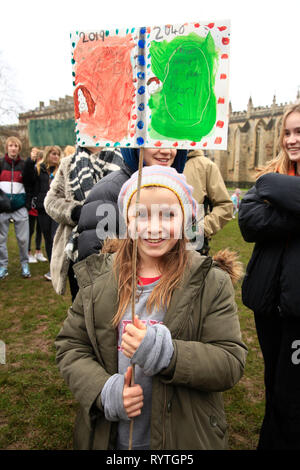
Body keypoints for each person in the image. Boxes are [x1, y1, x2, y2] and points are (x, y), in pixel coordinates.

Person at [55, 165, 247, 450]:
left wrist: (168, 354)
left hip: (182, 436)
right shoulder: (99, 280)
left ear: (187, 219)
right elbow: (71, 346)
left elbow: (230, 362)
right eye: (141, 214)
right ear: (126, 219)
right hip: (113, 438)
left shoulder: (210, 283)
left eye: (169, 214)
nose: (154, 227)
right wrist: (104, 390)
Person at [238, 102, 300, 450]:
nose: (292, 140)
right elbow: (248, 222)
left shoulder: (271, 188)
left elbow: (266, 215)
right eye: (287, 133)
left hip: (298, 309)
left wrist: (278, 200)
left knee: (292, 394)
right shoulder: (270, 177)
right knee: (274, 384)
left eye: (299, 132)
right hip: (268, 305)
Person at [76, 147, 188, 261]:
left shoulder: (179, 190)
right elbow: (95, 264)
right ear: (136, 147)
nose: (166, 151)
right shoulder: (110, 190)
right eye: (155, 143)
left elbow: (191, 243)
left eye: (171, 143)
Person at [44, 145, 123, 301]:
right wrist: (77, 212)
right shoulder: (68, 163)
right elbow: (50, 201)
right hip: (77, 246)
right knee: (81, 301)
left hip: (117, 245)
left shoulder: (124, 160)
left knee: (113, 302)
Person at [183, 150, 233, 255]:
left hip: (192, 246)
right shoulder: (153, 160)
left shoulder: (206, 165)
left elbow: (225, 206)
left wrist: (200, 229)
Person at [0, 136, 35, 279]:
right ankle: (3, 266)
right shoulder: (1, 163)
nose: (13, 148)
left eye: (16, 146)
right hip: (2, 208)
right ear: (7, 148)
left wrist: (27, 205)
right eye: (11, 145)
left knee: (23, 239)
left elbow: (31, 183)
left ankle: (24, 264)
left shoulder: (24, 164)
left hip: (20, 208)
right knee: (1, 240)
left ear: (19, 149)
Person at [31, 146, 61, 281]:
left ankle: (58, 267)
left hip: (57, 209)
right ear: (48, 154)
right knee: (48, 238)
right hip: (43, 209)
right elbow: (32, 186)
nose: (55, 156)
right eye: (53, 154)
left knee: (56, 237)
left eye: (58, 154)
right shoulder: (39, 169)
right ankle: (52, 267)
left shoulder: (62, 169)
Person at [27, 147, 47, 263]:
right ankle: (28, 252)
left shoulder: (44, 170)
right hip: (33, 204)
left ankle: (38, 251)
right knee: (30, 230)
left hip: (41, 205)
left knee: (40, 230)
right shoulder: (34, 169)